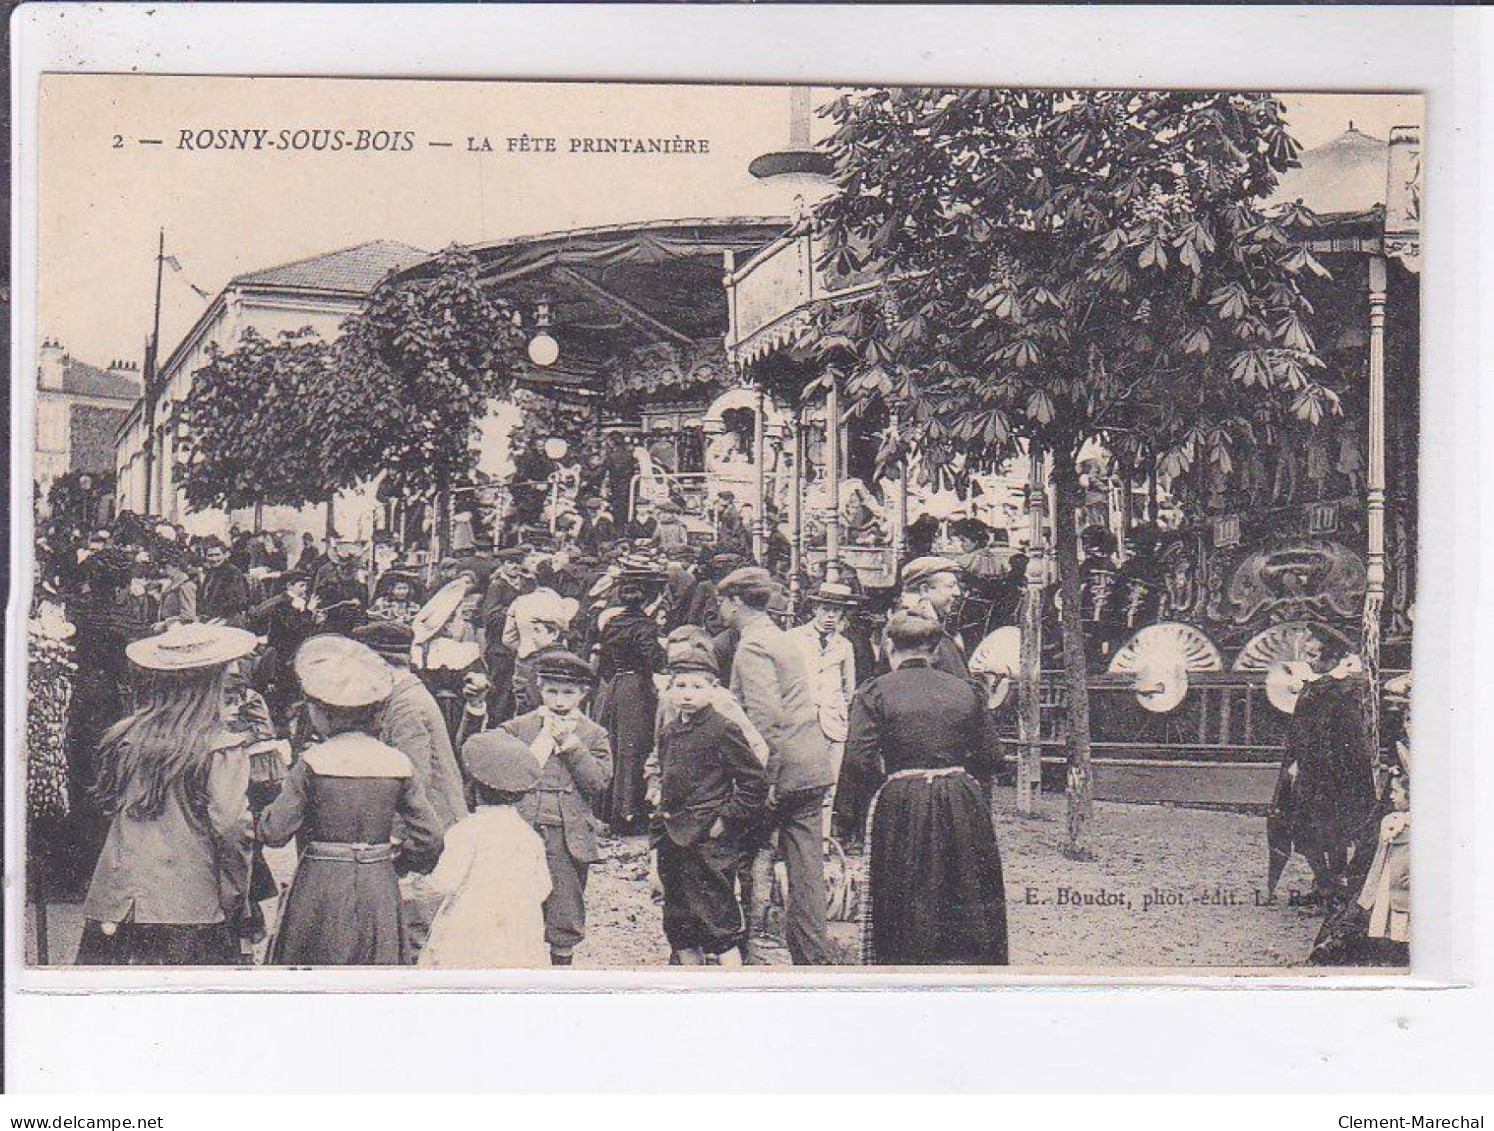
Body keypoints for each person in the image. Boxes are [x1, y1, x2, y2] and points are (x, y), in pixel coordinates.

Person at [75, 622, 259, 965]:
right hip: (190, 904)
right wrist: (235, 898)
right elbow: (233, 828)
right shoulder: (218, 747)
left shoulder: (125, 738)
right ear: (212, 683)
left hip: (118, 899)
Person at [258, 635, 445, 966]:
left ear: (322, 713)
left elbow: (275, 832)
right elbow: (430, 837)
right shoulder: (397, 764)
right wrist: (394, 860)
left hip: (320, 883)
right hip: (378, 881)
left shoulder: (314, 762)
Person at [842, 611, 1008, 965]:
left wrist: (883, 788)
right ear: (934, 650)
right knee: (965, 886)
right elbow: (993, 756)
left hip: (903, 800)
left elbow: (858, 759)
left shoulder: (873, 692)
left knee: (906, 888)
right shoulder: (967, 690)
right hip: (962, 798)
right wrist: (960, 777)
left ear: (889, 646)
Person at [461, 650, 612, 966]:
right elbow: (480, 751)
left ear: (584, 694)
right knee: (515, 900)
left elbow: (598, 783)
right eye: (552, 691)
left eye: (568, 692)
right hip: (522, 828)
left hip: (565, 836)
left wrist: (572, 747)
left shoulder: (593, 734)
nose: (559, 701)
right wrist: (476, 710)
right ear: (539, 689)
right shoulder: (521, 727)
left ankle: (560, 969)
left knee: (564, 907)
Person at [716, 566, 833, 965]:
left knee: (742, 859)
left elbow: (765, 721)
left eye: (722, 601)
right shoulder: (780, 639)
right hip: (810, 765)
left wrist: (764, 783)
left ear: (735, 602)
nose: (719, 608)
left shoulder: (752, 646)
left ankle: (743, 948)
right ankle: (811, 957)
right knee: (806, 871)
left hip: (779, 771)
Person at [645, 634, 768, 966]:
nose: (686, 694)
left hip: (708, 846)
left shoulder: (722, 728)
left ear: (714, 689)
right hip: (673, 841)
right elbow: (665, 781)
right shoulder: (669, 732)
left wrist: (724, 820)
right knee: (680, 925)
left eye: (697, 686)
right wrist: (657, 832)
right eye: (679, 685)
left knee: (718, 925)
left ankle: (731, 988)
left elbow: (754, 782)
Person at [418, 732, 553, 969]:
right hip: (517, 934)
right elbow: (543, 888)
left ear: (473, 787)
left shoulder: (466, 832)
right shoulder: (529, 836)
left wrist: (418, 886)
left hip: (469, 931)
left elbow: (444, 883)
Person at [594, 565, 667, 835]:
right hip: (637, 689)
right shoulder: (644, 626)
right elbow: (653, 661)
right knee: (634, 747)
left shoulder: (613, 622)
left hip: (616, 686)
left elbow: (603, 662)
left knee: (616, 743)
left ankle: (611, 809)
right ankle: (630, 812)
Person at [787, 582, 859, 838]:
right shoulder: (794, 639)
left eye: (837, 611)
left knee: (829, 785)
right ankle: (797, 841)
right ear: (815, 608)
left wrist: (837, 709)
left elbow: (848, 688)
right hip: (801, 723)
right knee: (800, 785)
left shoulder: (844, 646)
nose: (830, 616)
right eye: (826, 609)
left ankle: (823, 841)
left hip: (831, 723)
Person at [898, 556, 970, 678]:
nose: (957, 592)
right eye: (950, 586)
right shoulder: (922, 633)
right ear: (925, 590)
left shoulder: (906, 625)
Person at [198, 537, 251, 627]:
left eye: (217, 555)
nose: (214, 559)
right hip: (212, 618)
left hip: (230, 619)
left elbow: (237, 602)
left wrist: (220, 620)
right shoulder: (211, 572)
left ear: (225, 555)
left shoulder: (232, 572)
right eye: (210, 555)